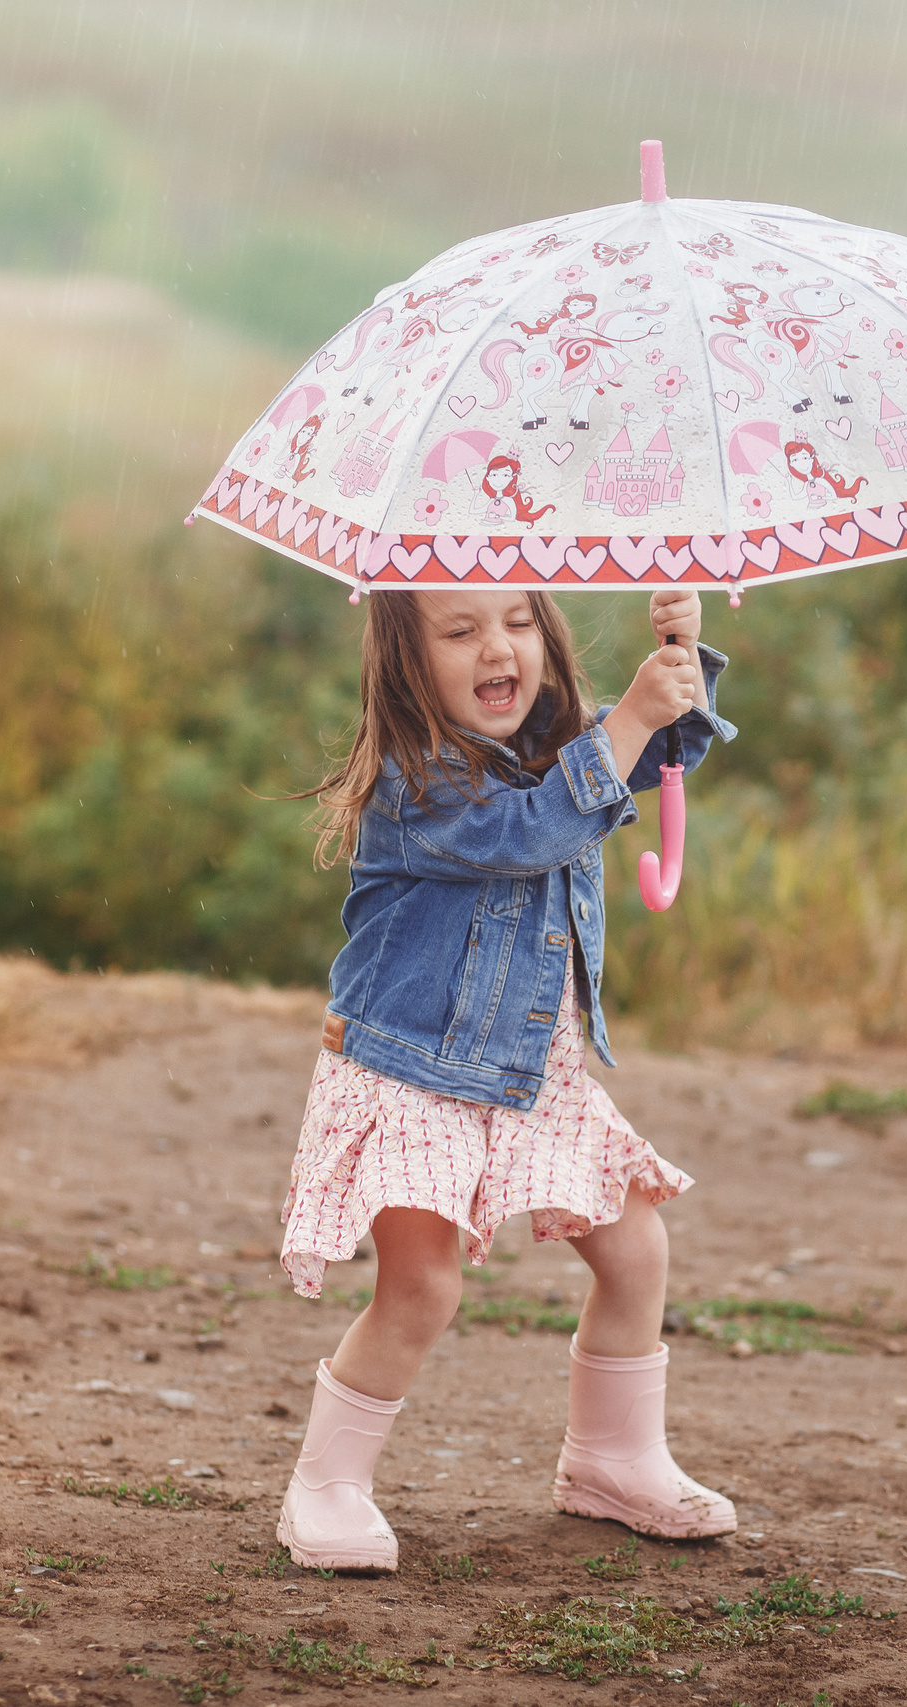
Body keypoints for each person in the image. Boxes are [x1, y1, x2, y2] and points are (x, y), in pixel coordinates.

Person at [275, 585, 735, 1571]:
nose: (499, 648)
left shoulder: (552, 745)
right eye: (460, 630)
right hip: (417, 1072)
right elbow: (528, 832)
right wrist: (629, 725)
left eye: (520, 623)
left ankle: (612, 1458)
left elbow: (653, 755)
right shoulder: (418, 782)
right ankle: (326, 1485)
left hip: (536, 1070)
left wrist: (679, 661)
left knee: (635, 1249)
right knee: (421, 1286)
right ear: (408, 662)